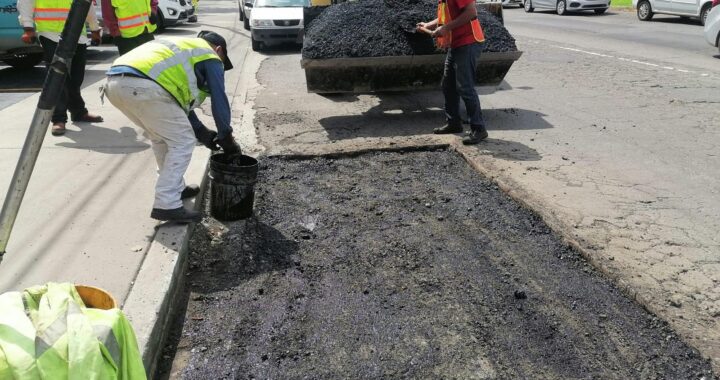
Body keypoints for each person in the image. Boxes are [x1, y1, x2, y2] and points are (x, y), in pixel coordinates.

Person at [103, 31, 242, 223]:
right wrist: (227, 138)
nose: (220, 67)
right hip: (143, 86)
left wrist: (202, 132)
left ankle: (175, 188)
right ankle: (167, 204)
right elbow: (219, 98)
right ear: (219, 50)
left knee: (161, 137)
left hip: (116, 84)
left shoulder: (180, 50)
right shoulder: (209, 55)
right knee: (183, 141)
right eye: (222, 60)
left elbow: (178, 106)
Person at [18, 0, 104, 136]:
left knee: (76, 77)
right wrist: (28, 28)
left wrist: (94, 28)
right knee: (57, 78)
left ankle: (78, 112)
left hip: (77, 34)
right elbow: (25, 3)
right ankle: (59, 119)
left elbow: (87, 6)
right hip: (49, 33)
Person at [418, 0, 488, 145]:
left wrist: (446, 28)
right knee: (448, 85)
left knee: (465, 87)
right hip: (456, 43)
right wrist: (428, 25)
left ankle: (479, 128)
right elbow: (446, 17)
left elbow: (471, 12)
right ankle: (454, 123)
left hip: (468, 42)